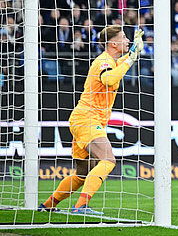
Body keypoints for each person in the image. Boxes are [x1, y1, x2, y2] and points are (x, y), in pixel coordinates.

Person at [39, 25, 144, 214]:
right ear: (113, 43)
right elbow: (109, 79)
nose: (127, 40)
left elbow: (121, 64)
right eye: (124, 37)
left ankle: (47, 205)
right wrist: (131, 59)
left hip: (83, 119)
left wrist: (133, 53)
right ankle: (80, 207)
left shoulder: (112, 60)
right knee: (108, 159)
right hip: (87, 118)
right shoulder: (103, 61)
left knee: (82, 174)